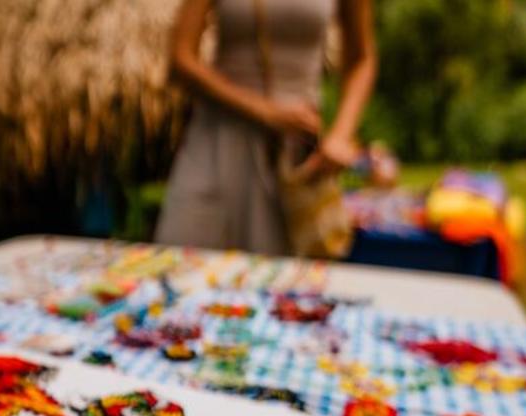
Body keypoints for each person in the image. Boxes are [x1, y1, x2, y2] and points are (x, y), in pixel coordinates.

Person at [155, 0, 377, 254]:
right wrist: (264, 110)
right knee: (181, 262)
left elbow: (362, 58)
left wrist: (341, 134)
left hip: (292, 157)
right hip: (214, 144)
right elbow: (180, 59)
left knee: (286, 281)